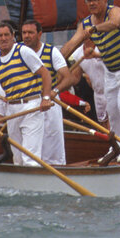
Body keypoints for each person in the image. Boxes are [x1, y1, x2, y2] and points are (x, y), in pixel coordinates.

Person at [64, 0, 120, 161]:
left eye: (96, 0)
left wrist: (94, 30)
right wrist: (52, 62)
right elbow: (72, 43)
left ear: (105, 2)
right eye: (89, 1)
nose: (92, 3)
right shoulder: (84, 24)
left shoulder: (116, 12)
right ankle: (116, 147)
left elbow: (114, 23)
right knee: (113, 111)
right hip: (112, 71)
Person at [0, 21, 53, 166]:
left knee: (30, 158)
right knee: (18, 158)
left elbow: (45, 74)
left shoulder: (23, 51)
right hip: (12, 110)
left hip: (32, 107)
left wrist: (46, 98)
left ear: (13, 36)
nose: (3, 39)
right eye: (0, 36)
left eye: (7, 35)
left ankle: (34, 186)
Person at [20, 19, 73, 166]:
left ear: (39, 34)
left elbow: (68, 77)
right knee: (28, 147)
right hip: (27, 105)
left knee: (52, 145)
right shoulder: (18, 51)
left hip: (49, 104)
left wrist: (53, 92)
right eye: (24, 33)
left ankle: (55, 169)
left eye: (30, 32)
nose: (26, 36)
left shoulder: (51, 52)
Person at [76, 40, 109, 125]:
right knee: (105, 128)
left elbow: (115, 56)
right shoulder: (77, 54)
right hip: (98, 94)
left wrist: (96, 55)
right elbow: (74, 77)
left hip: (114, 92)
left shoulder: (106, 44)